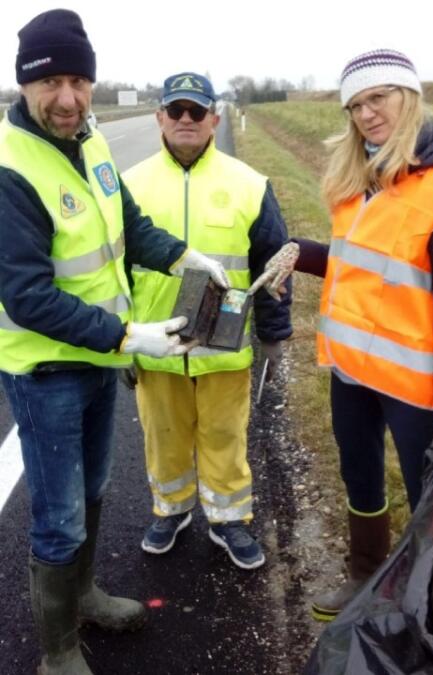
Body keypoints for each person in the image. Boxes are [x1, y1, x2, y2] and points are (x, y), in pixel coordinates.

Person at [0, 10, 229, 674]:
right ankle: (57, 650)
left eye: (80, 81)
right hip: (46, 370)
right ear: (24, 84)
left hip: (100, 357)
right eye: (52, 84)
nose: (69, 99)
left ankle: (86, 593)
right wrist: (132, 334)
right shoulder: (12, 167)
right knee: (59, 516)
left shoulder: (92, 140)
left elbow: (128, 224)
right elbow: (29, 296)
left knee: (95, 487)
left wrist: (186, 257)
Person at [274, 48, 433, 622]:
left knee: (431, 499)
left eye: (379, 98)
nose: (367, 114)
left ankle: (428, 604)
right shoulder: (358, 180)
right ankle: (365, 574)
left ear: (410, 96)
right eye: (355, 105)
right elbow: (359, 265)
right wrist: (304, 253)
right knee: (359, 471)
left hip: (415, 382)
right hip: (352, 366)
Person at [122, 71, 293, 570]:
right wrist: (120, 344)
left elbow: (273, 263)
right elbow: (112, 274)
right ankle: (169, 511)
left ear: (214, 119)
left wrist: (274, 332)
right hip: (159, 346)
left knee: (225, 436)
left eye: (196, 111)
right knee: (164, 436)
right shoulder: (129, 186)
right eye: (176, 110)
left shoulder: (249, 184)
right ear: (159, 118)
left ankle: (229, 520)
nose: (186, 120)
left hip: (224, 346)